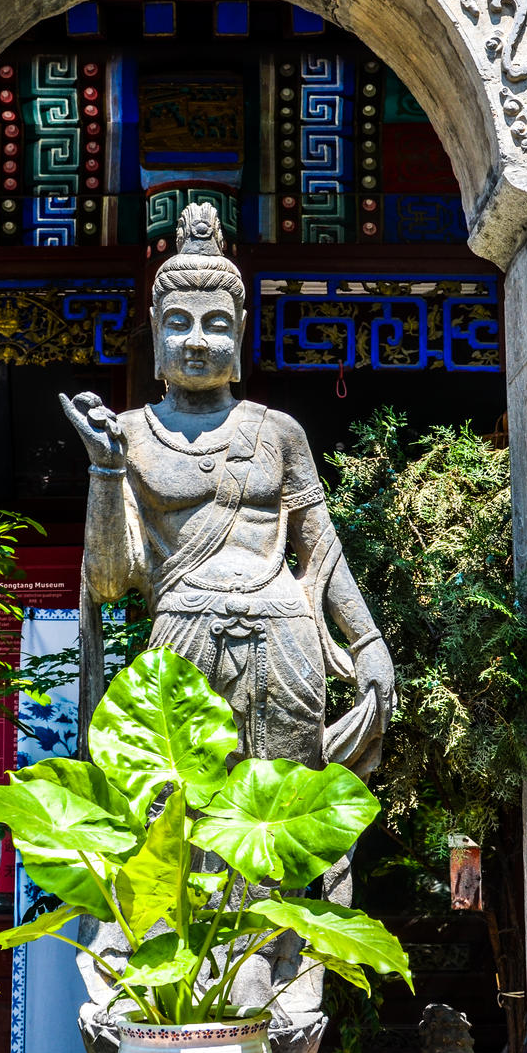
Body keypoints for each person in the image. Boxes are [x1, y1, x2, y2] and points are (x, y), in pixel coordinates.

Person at [60, 201, 394, 779]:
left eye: (215, 323)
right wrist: (106, 470)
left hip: (286, 639)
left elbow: (323, 551)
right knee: (179, 831)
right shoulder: (131, 434)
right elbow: (111, 583)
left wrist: (367, 643)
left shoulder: (279, 431)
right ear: (156, 331)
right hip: (182, 639)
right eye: (178, 323)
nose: (195, 340)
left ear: (239, 332)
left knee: (277, 829)